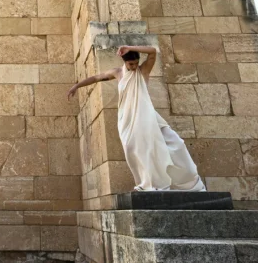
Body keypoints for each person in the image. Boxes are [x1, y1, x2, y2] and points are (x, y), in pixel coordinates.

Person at [66, 45, 205, 192]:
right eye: (130, 64)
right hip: (128, 119)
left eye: (136, 63)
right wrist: (76, 86)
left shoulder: (143, 70)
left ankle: (186, 181)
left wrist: (129, 47)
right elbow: (96, 78)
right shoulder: (117, 73)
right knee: (138, 151)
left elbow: (152, 51)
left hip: (147, 117)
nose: (133, 66)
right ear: (124, 62)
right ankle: (147, 183)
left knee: (176, 144)